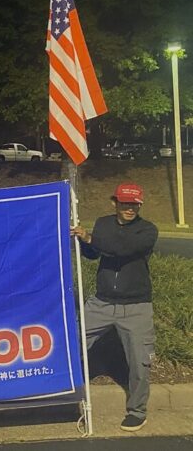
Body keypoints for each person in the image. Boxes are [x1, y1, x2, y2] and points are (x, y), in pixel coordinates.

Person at [71, 183, 158, 432]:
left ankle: (137, 411)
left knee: (140, 361)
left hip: (137, 307)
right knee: (72, 341)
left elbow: (123, 249)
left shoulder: (148, 230)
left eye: (134, 204)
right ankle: (61, 392)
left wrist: (91, 238)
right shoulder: (103, 223)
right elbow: (93, 254)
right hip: (102, 303)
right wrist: (84, 241)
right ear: (115, 203)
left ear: (139, 205)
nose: (130, 208)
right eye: (125, 203)